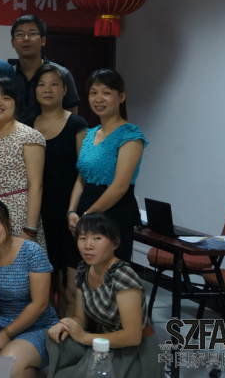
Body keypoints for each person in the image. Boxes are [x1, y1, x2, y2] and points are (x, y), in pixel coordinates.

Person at [65, 69, 147, 314]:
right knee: (74, 288)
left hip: (113, 215)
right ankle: (77, 334)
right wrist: (71, 212)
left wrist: (87, 217)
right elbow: (81, 178)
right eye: (93, 92)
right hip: (82, 216)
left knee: (108, 292)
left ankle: (111, 336)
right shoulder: (90, 134)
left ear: (121, 97)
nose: (98, 98)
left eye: (106, 92)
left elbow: (120, 186)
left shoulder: (131, 135)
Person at [46, 213, 163, 378]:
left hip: (132, 352)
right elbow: (80, 318)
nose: (88, 245)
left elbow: (133, 337)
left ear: (115, 243)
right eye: (82, 238)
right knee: (51, 340)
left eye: (97, 238)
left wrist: (84, 337)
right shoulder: (84, 269)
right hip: (101, 341)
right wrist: (67, 325)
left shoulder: (122, 275)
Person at [0, 199, 59, 378]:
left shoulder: (31, 252)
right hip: (0, 327)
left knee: (9, 363)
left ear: (9, 222)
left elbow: (40, 304)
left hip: (39, 328)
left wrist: (7, 333)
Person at [29, 63, 87, 316]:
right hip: (36, 213)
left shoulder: (77, 123)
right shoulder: (26, 123)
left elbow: (84, 172)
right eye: (42, 84)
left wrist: (74, 209)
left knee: (67, 286)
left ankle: (68, 333)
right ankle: (46, 334)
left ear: (64, 90)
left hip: (66, 211)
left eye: (54, 84)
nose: (47, 89)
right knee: (42, 284)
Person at [0, 77, 46, 249]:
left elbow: (36, 185)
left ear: (15, 102)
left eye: (6, 98)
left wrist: (30, 229)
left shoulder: (29, 135)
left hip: (20, 217)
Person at [10, 15, 79, 121]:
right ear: (13, 42)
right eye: (20, 35)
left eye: (32, 34)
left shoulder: (61, 74)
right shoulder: (7, 75)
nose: (26, 39)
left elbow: (72, 115)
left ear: (43, 40)